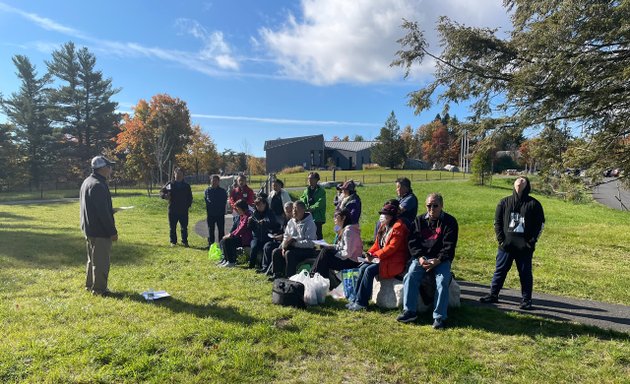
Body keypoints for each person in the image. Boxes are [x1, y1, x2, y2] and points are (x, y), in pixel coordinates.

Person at [479, 176, 545, 310]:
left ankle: (526, 300)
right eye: (518, 178)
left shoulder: (534, 204)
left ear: (527, 185)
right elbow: (497, 222)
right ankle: (493, 294)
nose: (520, 181)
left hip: (524, 248)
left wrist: (531, 243)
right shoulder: (504, 202)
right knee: (500, 270)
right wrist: (501, 241)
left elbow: (540, 225)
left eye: (523, 179)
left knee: (525, 274)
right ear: (514, 183)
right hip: (506, 246)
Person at [397, 193, 459, 329]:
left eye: (435, 205)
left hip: (441, 259)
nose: (432, 209)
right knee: (410, 275)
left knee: (442, 280)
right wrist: (419, 258)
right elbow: (412, 243)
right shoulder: (418, 221)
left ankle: (439, 317)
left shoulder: (450, 222)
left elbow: (449, 246)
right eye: (429, 206)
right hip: (422, 258)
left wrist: (438, 260)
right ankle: (410, 311)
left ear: (442, 206)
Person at [347, 202, 410, 311]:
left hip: (395, 262)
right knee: (362, 268)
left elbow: (391, 248)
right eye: (382, 213)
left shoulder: (399, 228)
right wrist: (370, 253)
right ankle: (355, 299)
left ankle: (362, 303)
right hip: (383, 259)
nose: (382, 216)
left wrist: (375, 255)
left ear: (392, 216)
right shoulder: (383, 226)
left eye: (384, 214)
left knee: (369, 270)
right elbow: (377, 244)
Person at [80, 156, 118, 296]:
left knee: (92, 260)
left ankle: (90, 286)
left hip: (89, 228)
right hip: (100, 231)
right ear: (102, 168)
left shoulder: (88, 182)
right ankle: (100, 290)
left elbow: (94, 207)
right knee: (101, 262)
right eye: (109, 166)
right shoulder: (98, 185)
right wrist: (112, 231)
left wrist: (110, 210)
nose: (110, 169)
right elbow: (102, 213)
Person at [311, 208, 362, 289]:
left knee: (326, 254)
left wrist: (334, 252)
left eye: (336, 217)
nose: (334, 219)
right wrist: (332, 246)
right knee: (325, 254)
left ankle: (315, 278)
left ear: (343, 218)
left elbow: (348, 253)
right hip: (347, 259)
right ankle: (319, 281)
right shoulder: (345, 230)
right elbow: (342, 246)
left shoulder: (349, 231)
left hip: (352, 262)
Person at [269, 200, 317, 279]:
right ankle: (277, 274)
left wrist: (294, 243)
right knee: (276, 252)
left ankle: (289, 276)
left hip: (306, 249)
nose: (294, 211)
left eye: (296, 209)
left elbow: (310, 243)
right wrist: (284, 246)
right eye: (293, 208)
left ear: (303, 210)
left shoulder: (310, 223)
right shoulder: (291, 221)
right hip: (292, 246)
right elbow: (286, 235)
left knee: (289, 254)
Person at [160, 167, 193, 247]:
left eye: (180, 174)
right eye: (176, 174)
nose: (178, 175)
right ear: (174, 175)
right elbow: (161, 193)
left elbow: (190, 197)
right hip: (173, 210)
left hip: (183, 211)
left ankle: (184, 241)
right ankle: (173, 242)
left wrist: (187, 206)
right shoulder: (170, 185)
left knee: (184, 228)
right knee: (172, 228)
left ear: (183, 175)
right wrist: (165, 196)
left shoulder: (186, 186)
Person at [247, 195, 279, 269]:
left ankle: (264, 266)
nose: (259, 207)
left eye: (260, 204)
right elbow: (250, 228)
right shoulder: (254, 213)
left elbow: (274, 224)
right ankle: (251, 266)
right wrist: (249, 222)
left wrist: (265, 222)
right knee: (254, 247)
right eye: (257, 205)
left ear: (265, 204)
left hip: (267, 237)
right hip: (257, 237)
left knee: (266, 247)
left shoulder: (270, 212)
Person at [218, 199, 253, 268]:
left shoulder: (248, 215)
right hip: (242, 237)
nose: (237, 210)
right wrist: (231, 234)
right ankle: (226, 259)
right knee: (223, 240)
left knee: (227, 241)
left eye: (238, 209)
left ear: (242, 208)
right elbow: (238, 228)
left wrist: (231, 235)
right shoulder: (243, 215)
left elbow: (242, 228)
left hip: (247, 239)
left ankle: (231, 262)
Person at [300, 171, 326, 240]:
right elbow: (302, 198)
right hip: (307, 216)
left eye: (312, 179)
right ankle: (311, 248)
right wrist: (305, 207)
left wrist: (311, 208)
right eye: (308, 179)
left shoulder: (321, 191)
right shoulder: (306, 190)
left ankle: (322, 248)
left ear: (317, 180)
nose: (309, 180)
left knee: (318, 234)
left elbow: (320, 203)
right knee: (308, 233)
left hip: (317, 217)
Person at [204, 174, 228, 247]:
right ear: (210, 181)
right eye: (213, 180)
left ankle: (222, 245)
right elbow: (208, 200)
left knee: (221, 230)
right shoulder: (208, 190)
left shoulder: (222, 191)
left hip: (220, 214)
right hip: (211, 214)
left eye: (216, 180)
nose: (214, 182)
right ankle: (211, 244)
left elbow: (224, 202)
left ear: (219, 181)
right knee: (211, 230)